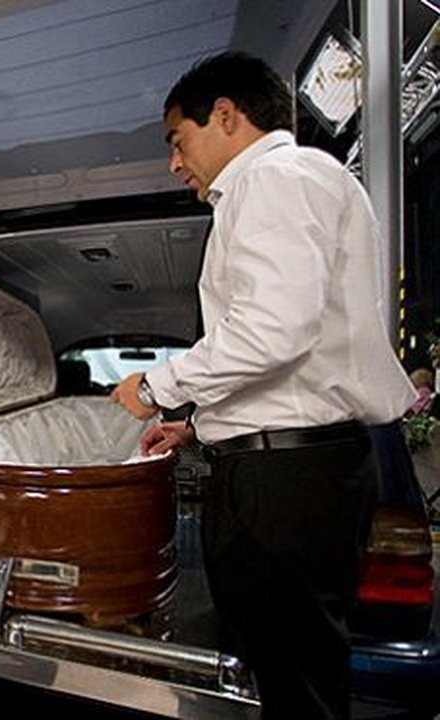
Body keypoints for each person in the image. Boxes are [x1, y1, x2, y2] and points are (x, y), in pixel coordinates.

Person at [111, 52, 415, 719]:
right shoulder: (299, 180)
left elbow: (274, 330)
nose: (174, 162)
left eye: (177, 140)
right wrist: (198, 427)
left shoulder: (275, 177)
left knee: (295, 683)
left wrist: (158, 385)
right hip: (293, 465)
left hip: (288, 480)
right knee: (286, 670)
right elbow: (298, 355)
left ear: (225, 115)